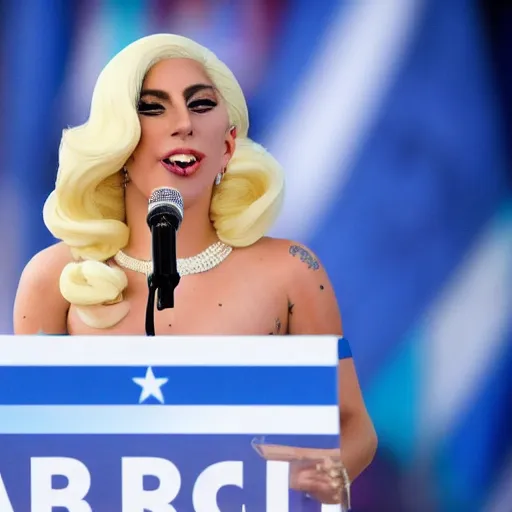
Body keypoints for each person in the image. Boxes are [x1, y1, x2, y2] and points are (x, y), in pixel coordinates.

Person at [13, 33, 377, 505]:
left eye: (201, 105)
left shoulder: (294, 273)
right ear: (117, 137)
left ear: (228, 145)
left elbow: (356, 428)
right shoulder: (54, 279)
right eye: (153, 106)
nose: (183, 124)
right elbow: (30, 450)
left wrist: (329, 473)